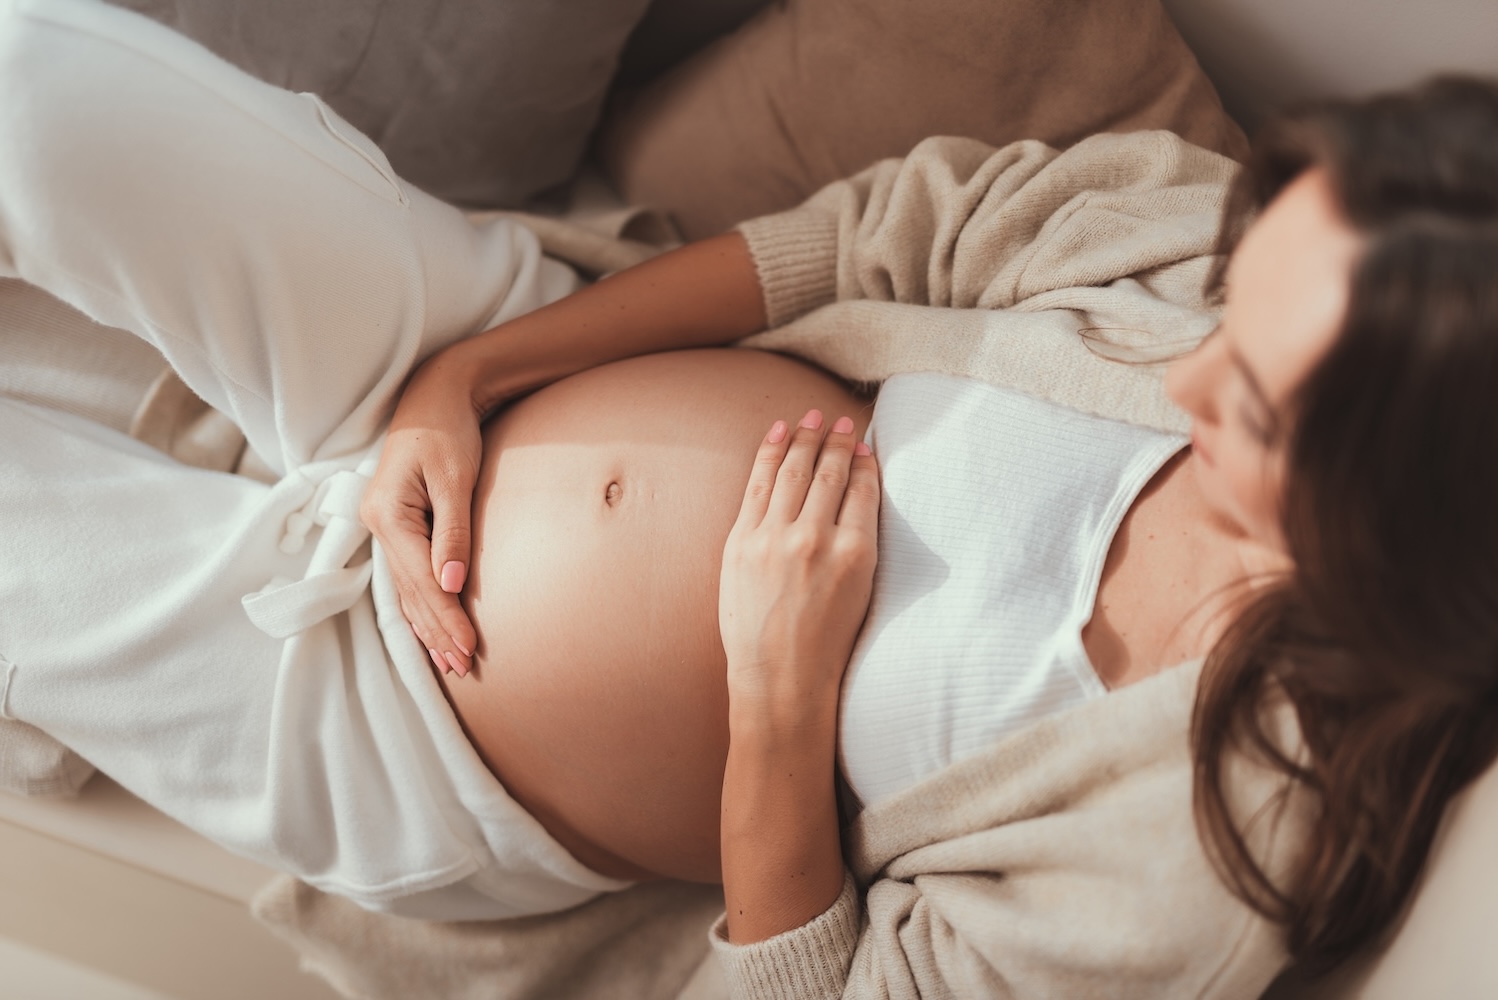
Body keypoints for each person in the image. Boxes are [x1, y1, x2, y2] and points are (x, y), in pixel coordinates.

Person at [5, 1, 1497, 996]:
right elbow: (874, 236)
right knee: (34, 90)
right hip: (476, 351)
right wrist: (465, 381)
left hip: (405, 737)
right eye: (1236, 309)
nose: (1187, 371)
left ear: (1400, 514)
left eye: (1250, 398)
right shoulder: (1196, 265)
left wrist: (779, 702)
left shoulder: (1207, 850)